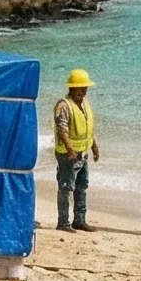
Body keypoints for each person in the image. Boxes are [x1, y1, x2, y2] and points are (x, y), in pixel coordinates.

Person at [50, 68, 96, 233]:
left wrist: (94, 146)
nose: (83, 91)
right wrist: (70, 149)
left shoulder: (85, 104)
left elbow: (88, 129)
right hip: (68, 155)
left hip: (83, 154)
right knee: (66, 187)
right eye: (80, 88)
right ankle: (63, 222)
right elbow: (62, 130)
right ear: (71, 88)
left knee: (82, 186)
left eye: (85, 88)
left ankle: (79, 220)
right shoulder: (64, 105)